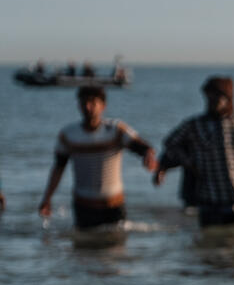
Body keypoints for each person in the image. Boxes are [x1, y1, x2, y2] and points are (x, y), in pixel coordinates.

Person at [153, 76, 234, 226]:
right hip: (210, 203)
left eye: (216, 97)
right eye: (208, 97)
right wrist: (188, 163)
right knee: (211, 247)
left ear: (228, 98)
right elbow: (170, 143)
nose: (211, 101)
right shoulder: (195, 125)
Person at [38, 85, 158, 229]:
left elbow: (142, 146)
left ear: (103, 106)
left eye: (93, 103)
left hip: (114, 205)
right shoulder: (69, 135)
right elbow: (58, 168)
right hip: (84, 206)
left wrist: (148, 156)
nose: (88, 107)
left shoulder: (115, 130)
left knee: (116, 249)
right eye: (84, 103)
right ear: (79, 105)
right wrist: (47, 198)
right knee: (83, 249)